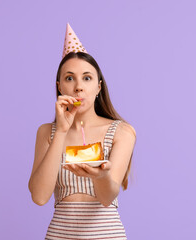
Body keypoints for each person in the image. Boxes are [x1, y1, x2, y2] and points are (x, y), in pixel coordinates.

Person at [28, 23, 136, 240]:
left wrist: (101, 175)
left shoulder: (122, 132)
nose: (79, 86)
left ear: (98, 87)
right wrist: (61, 131)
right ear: (60, 87)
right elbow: (39, 197)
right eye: (70, 78)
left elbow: (107, 197)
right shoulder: (47, 132)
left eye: (87, 78)